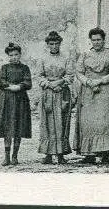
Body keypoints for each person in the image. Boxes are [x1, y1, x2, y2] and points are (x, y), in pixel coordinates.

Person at [74, 27, 109, 164]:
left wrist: (99, 81)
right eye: (94, 40)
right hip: (88, 91)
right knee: (88, 122)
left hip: (105, 91)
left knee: (105, 122)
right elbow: (79, 72)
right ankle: (89, 154)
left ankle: (105, 153)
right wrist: (88, 82)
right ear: (90, 41)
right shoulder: (85, 55)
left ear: (104, 40)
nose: (96, 42)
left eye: (99, 40)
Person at [34, 30, 75, 164]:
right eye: (51, 44)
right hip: (48, 93)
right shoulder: (43, 58)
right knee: (47, 123)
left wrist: (60, 83)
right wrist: (50, 85)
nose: (54, 46)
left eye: (57, 43)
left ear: (60, 44)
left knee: (62, 122)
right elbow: (39, 76)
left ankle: (61, 153)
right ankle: (48, 154)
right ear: (47, 45)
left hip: (62, 92)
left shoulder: (66, 58)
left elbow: (70, 76)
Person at [0, 42, 32, 166]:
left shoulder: (25, 68)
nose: (14, 57)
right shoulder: (4, 68)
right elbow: (0, 81)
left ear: (20, 55)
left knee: (18, 127)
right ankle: (6, 156)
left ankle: (15, 156)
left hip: (20, 100)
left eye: (16, 54)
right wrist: (10, 87)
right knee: (7, 128)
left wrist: (19, 86)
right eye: (11, 55)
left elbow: (28, 82)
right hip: (7, 100)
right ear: (8, 56)